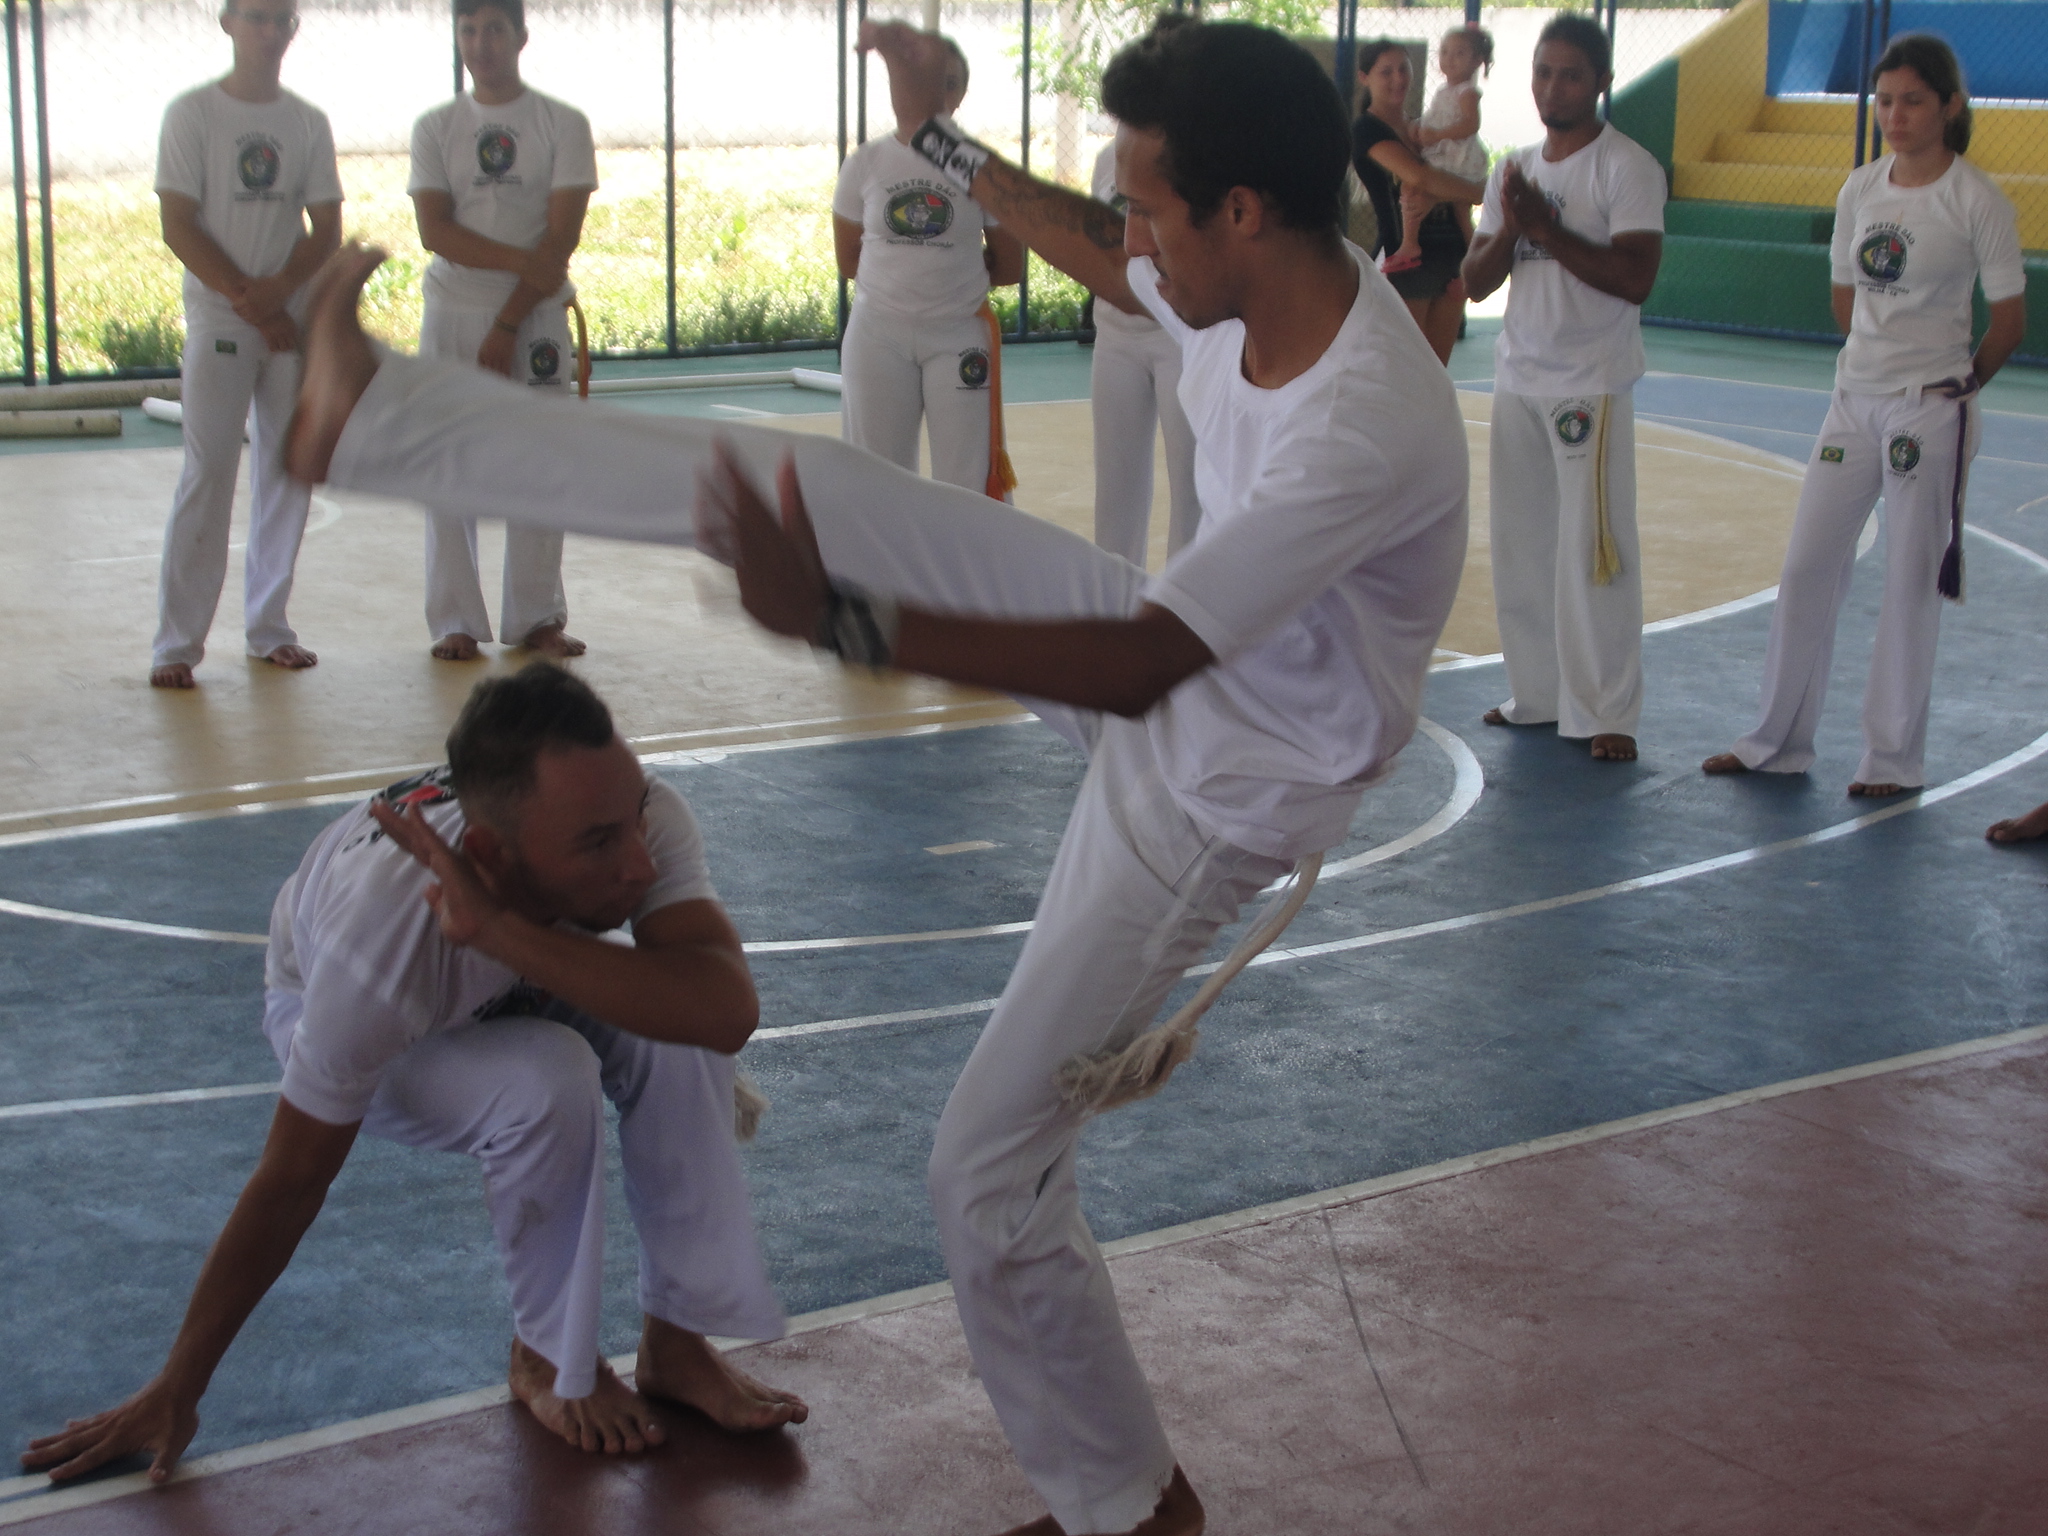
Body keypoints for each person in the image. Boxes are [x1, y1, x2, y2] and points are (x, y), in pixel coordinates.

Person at [281, 14, 1469, 1531]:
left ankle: (1129, 1510)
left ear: (1241, 212)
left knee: (983, 1172)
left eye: (1153, 209)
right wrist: (938, 135)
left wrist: (842, 622)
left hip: (1217, 785)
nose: (1129, 244)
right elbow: (1095, 248)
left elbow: (1141, 668)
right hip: (1178, 660)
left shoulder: (1361, 423)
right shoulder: (1258, 272)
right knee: (822, 486)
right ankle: (373, 422)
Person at [21, 666, 805, 1484]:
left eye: (634, 816)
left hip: (509, 953)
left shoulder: (632, 817)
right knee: (548, 1076)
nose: (639, 864)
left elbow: (725, 1010)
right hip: (358, 1011)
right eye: (600, 842)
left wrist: (500, 932)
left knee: (681, 1031)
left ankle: (677, 1342)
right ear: (492, 854)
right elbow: (291, 1179)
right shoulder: (380, 944)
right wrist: (179, 1384)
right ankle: (546, 1360)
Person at [1703, 34, 2025, 797]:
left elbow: (2008, 322)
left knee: (1911, 581)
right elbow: (1846, 301)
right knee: (1807, 566)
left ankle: (1892, 760)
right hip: (1853, 403)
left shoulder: (1976, 199)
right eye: (1884, 101)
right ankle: (1776, 741)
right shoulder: (1860, 190)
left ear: (1950, 105)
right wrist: (1875, 363)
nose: (1895, 115)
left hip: (1930, 409)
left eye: (1912, 100)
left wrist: (1953, 389)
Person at [1460, 12, 1665, 763]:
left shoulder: (1626, 166)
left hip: (1589, 383)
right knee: (1522, 544)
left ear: (1601, 82)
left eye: (1571, 75)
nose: (1553, 87)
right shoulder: (1514, 169)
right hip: (1519, 374)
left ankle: (1606, 710)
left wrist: (1546, 230)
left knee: (1594, 551)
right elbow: (1475, 282)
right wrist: (1515, 227)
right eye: (1543, 72)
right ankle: (1539, 694)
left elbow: (1635, 276)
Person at [149, 0, 341, 689]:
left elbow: (325, 230)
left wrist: (280, 293)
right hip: (222, 319)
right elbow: (179, 223)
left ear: (294, 29)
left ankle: (269, 628)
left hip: (288, 320)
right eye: (256, 17)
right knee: (209, 473)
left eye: (280, 19)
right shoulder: (193, 114)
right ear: (227, 22)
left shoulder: (306, 121)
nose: (269, 31)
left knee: (287, 473)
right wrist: (247, 299)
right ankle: (176, 645)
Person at [410, 0, 593, 662]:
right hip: (455, 309)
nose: (480, 43)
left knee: (540, 460)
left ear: (520, 36)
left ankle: (536, 616)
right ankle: (454, 619)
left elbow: (561, 235)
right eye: (468, 30)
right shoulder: (437, 127)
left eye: (493, 29)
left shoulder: (561, 123)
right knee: (447, 462)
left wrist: (510, 318)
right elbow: (435, 231)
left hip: (536, 314)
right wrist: (524, 263)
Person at [832, 32, 1026, 498]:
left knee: (969, 483)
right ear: (901, 88)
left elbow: (1010, 266)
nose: (937, 93)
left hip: (958, 335)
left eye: (950, 83)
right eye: (926, 81)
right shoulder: (865, 163)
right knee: (876, 480)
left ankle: (969, 552)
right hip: (878, 335)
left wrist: (948, 283)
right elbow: (849, 260)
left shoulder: (981, 166)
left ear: (961, 94)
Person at [1088, 135, 1201, 566]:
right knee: (1115, 482)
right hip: (1115, 337)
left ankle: (1184, 597)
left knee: (1191, 484)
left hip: (1178, 337)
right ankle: (1113, 595)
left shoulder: (1186, 154)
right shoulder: (1106, 159)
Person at [1349, 38, 1485, 364]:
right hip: (1407, 260)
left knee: (1437, 370)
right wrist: (1481, 193)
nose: (1398, 79)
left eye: (1403, 69)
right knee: (1406, 369)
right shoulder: (1367, 130)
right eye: (1386, 72)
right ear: (1364, 77)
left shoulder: (1422, 128)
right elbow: (1421, 177)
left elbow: (1459, 169)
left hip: (1451, 253)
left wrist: (1469, 191)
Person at [1383, 26, 1490, 274]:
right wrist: (1418, 126)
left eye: (1459, 53)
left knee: (1412, 184)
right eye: (1444, 52)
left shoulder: (1467, 92)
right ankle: (1474, 256)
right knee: (1461, 212)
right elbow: (1437, 117)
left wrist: (1437, 135)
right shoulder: (1444, 90)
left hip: (1457, 157)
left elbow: (1471, 124)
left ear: (1476, 61)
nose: (1449, 59)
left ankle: (1410, 243)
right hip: (1447, 153)